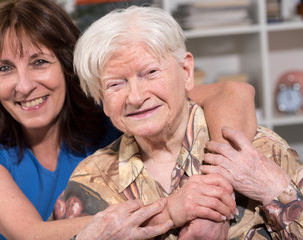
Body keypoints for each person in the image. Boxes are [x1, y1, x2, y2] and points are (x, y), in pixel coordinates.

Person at [0, 0, 257, 239]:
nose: (24, 85)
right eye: (5, 68)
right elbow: (32, 234)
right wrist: (172, 210)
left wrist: (216, 191)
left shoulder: (114, 112)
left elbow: (234, 92)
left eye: (39, 62)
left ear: (68, 66)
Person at [53, 5, 303, 240]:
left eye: (150, 73)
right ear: (101, 100)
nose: (137, 97)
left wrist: (278, 192)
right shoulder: (90, 180)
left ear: (186, 72)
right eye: (115, 84)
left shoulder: (257, 151)